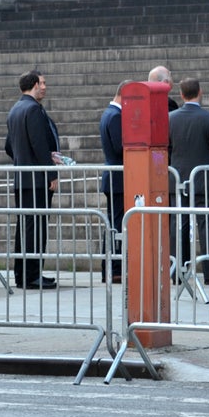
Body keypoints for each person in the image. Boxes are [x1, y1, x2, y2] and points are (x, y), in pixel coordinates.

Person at [168, 78, 209, 286]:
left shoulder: (170, 118)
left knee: (179, 225)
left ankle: (178, 271)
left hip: (177, 179)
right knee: (206, 225)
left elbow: (166, 148)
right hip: (203, 180)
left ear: (182, 95)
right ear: (199, 92)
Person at [4, 69, 60, 289]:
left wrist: (22, 158)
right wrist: (51, 173)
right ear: (35, 85)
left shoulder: (15, 109)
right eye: (43, 83)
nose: (45, 87)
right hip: (37, 179)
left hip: (23, 177)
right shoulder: (33, 109)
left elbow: (9, 146)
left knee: (25, 227)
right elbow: (39, 144)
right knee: (36, 227)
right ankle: (33, 275)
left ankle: (22, 274)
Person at [99, 83, 125, 284]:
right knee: (117, 224)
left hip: (113, 178)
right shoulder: (116, 116)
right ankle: (114, 268)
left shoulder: (109, 113)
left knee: (114, 223)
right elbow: (119, 147)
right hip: (117, 178)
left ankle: (110, 267)